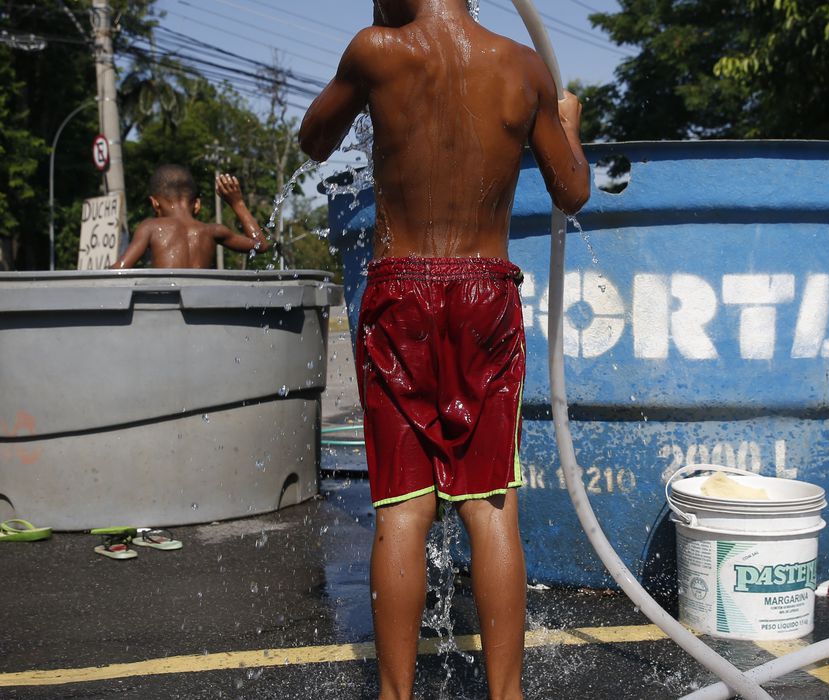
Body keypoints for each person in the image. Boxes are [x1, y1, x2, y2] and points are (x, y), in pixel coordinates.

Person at [299, 0, 589, 697]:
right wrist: (569, 125)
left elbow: (313, 140)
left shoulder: (376, 50)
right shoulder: (522, 66)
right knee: (491, 505)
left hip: (400, 292)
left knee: (402, 510)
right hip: (486, 293)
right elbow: (573, 190)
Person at [110, 165, 270, 269]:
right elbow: (261, 245)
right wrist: (237, 203)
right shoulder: (213, 231)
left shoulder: (150, 227)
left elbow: (118, 270)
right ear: (197, 204)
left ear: (155, 203)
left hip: (166, 309)